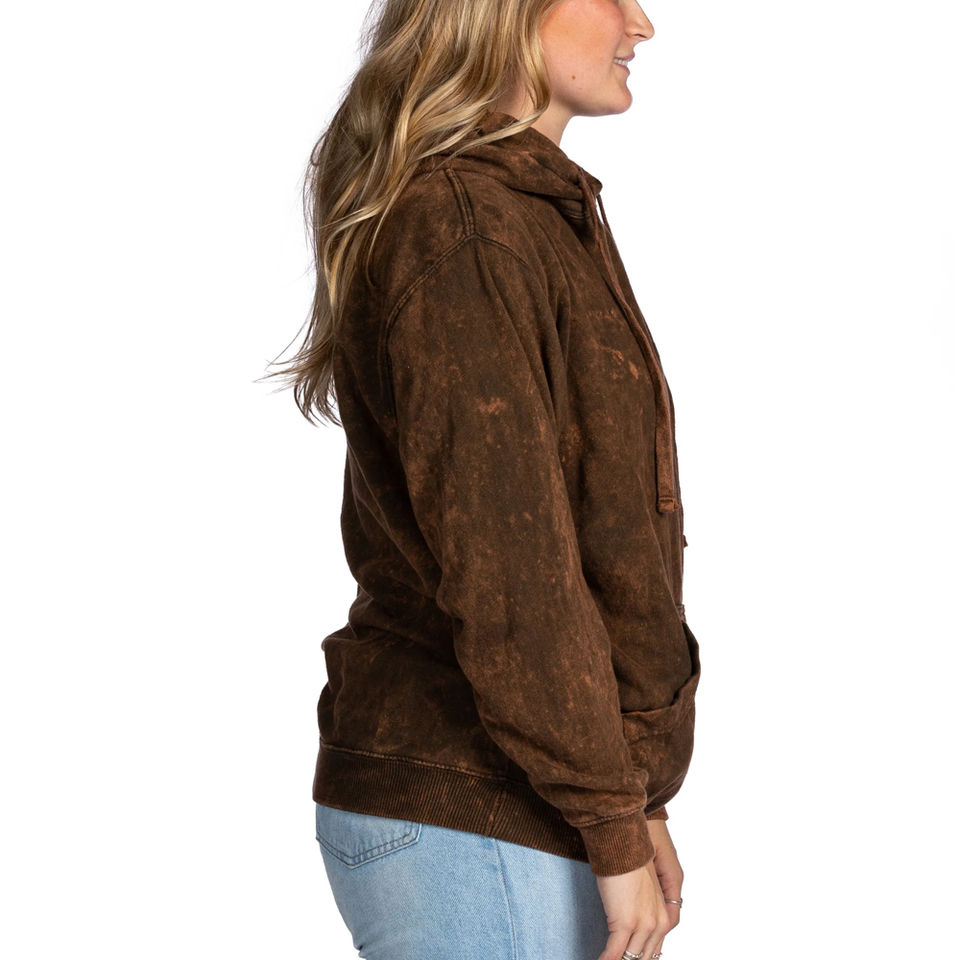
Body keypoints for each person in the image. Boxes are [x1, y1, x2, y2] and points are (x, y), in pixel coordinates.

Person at [265, 2, 702, 958]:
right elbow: (514, 576)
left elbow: (599, 542)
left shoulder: (524, 211)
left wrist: (638, 800)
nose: (642, 24)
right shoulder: (463, 227)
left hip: (520, 807)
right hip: (474, 808)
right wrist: (613, 816)